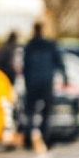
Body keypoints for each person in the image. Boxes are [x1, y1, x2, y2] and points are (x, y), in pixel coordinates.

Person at [21, 23, 68, 151]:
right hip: (47, 83)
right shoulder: (50, 44)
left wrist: (27, 82)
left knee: (30, 112)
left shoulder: (30, 45)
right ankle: (45, 139)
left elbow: (25, 66)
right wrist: (65, 78)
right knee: (46, 113)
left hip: (32, 83)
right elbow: (59, 62)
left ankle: (29, 140)